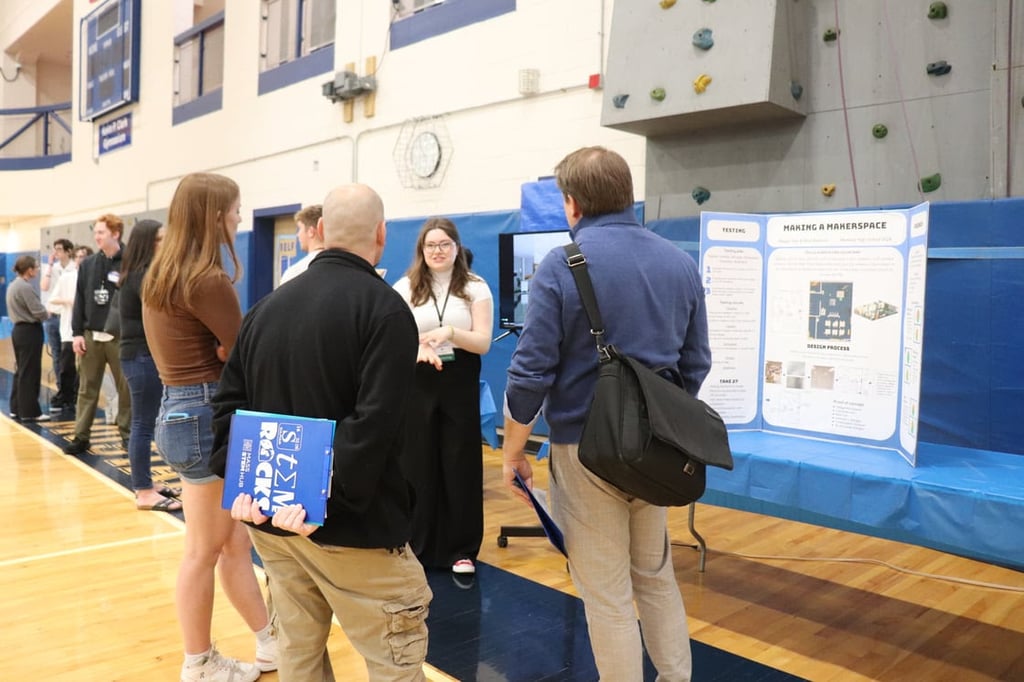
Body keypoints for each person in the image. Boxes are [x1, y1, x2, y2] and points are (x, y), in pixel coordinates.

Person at [502, 146, 712, 682]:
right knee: (656, 578)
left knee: (608, 595)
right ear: (627, 196)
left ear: (572, 203)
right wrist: (657, 417)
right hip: (657, 450)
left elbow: (530, 373)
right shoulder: (680, 263)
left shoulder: (562, 264)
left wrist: (513, 452)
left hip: (584, 451)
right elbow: (697, 362)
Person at [214, 183, 432, 682]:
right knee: (394, 666)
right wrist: (314, 498)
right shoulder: (386, 311)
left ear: (321, 231)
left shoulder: (265, 309)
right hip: (352, 531)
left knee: (298, 657)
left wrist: (250, 488)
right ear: (382, 234)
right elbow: (373, 427)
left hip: (275, 524)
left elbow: (227, 409)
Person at [142, 172, 276, 681]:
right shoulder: (206, 278)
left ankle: (269, 642)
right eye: (236, 208)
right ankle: (198, 662)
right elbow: (242, 354)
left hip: (180, 410)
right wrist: (228, 353)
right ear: (216, 215)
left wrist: (226, 351)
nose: (240, 217)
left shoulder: (163, 273)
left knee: (234, 544)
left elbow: (227, 350)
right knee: (204, 550)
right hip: (203, 414)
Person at [393, 217, 493, 575]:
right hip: (418, 377)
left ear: (456, 247)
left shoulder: (475, 287)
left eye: (444, 244)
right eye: (431, 245)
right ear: (421, 249)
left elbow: (482, 342)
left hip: (459, 379)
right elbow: (393, 338)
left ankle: (461, 550)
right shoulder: (405, 287)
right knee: (417, 462)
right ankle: (416, 545)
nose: (437, 251)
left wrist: (450, 332)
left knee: (459, 462)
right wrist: (417, 348)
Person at [116, 219, 182, 512]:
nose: (165, 243)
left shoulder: (139, 274)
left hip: (141, 356)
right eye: (160, 239)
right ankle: (143, 491)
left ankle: (146, 483)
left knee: (146, 423)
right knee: (142, 424)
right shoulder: (142, 277)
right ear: (147, 243)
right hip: (140, 356)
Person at [63, 214, 132, 454]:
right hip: (91, 336)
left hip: (120, 338)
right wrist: (77, 333)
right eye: (95, 233)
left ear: (116, 234)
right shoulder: (89, 264)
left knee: (126, 390)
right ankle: (81, 436)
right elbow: (80, 300)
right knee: (87, 388)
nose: (96, 237)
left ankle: (127, 435)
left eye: (101, 232)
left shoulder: (131, 262)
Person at [47, 246, 93, 416]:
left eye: (84, 256)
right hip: (69, 330)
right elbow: (52, 301)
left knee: (87, 368)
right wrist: (69, 301)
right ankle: (65, 397)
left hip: (90, 330)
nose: (80, 259)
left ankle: (79, 397)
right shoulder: (67, 278)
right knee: (67, 366)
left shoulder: (94, 277)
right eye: (78, 256)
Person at [6, 255, 52, 422]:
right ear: (29, 270)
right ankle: (30, 411)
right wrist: (47, 313)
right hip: (29, 331)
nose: (37, 270)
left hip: (19, 331)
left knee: (22, 370)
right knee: (30, 371)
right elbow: (37, 310)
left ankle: (16, 408)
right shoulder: (25, 287)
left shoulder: (13, 285)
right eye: (36, 267)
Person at [41, 238, 74, 411]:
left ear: (68, 251)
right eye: (55, 249)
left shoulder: (74, 269)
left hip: (67, 317)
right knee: (56, 355)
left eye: (60, 249)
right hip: (52, 317)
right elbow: (44, 287)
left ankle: (71, 391)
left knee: (68, 357)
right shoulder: (51, 269)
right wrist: (49, 266)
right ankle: (61, 389)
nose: (56, 252)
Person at [278, 204, 324, 285]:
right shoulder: (343, 267)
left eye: (300, 229)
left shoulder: (293, 273)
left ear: (311, 231)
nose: (298, 235)